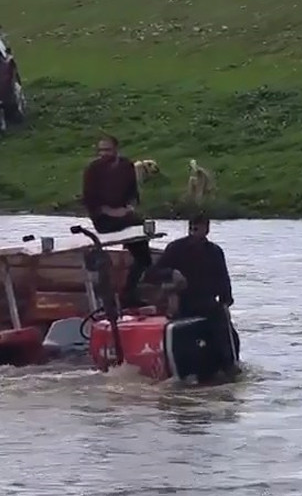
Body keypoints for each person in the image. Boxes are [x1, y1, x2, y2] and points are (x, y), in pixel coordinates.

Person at [143, 213, 238, 378]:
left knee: (228, 332)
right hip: (183, 302)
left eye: (198, 228)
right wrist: (171, 273)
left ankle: (226, 366)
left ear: (207, 229)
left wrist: (226, 302)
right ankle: (219, 367)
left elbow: (223, 280)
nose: (194, 232)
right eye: (192, 228)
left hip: (207, 303)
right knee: (207, 322)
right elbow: (151, 274)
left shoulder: (215, 252)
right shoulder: (176, 248)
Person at [81, 134, 151, 305]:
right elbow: (90, 199)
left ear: (116, 150)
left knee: (143, 253)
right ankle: (122, 293)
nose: (103, 153)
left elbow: (133, 194)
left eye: (107, 150)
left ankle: (131, 290)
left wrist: (128, 208)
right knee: (135, 225)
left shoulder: (126, 166)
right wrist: (111, 212)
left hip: (125, 214)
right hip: (104, 218)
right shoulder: (93, 169)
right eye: (101, 150)